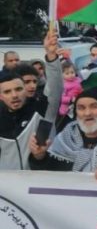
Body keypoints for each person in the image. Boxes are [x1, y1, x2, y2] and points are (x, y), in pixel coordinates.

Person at [28, 88, 97, 182]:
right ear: (76, 113)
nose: (87, 113)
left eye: (94, 106)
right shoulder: (65, 140)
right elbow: (46, 176)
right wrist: (39, 157)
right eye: (81, 108)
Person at [1, 31, 63, 170]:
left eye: (18, 89)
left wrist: (51, 56)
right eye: (7, 92)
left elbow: (55, 89)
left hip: (38, 179)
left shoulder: (41, 109)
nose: (14, 95)